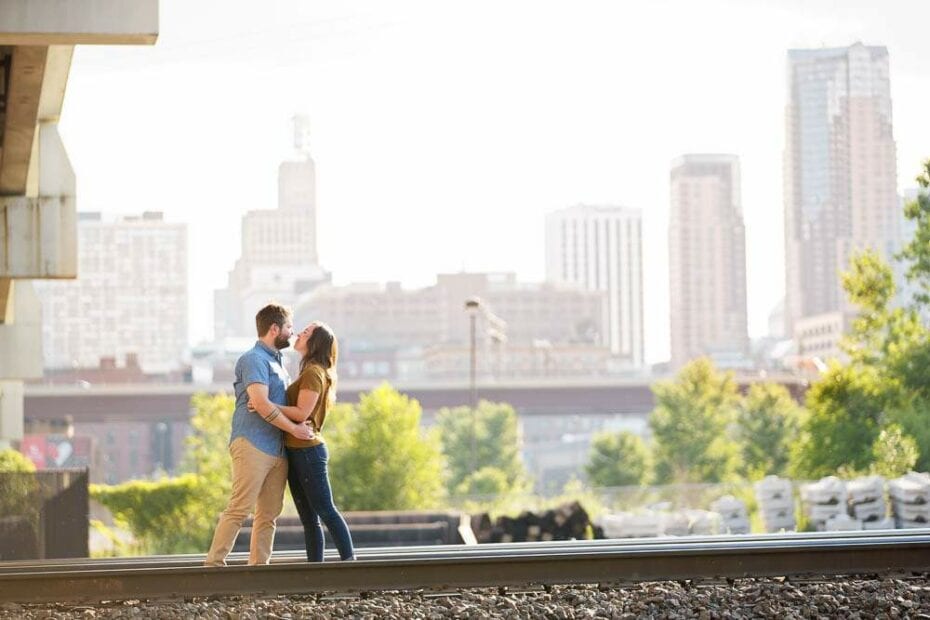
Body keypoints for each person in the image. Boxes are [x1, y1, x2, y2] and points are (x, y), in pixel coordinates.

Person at [204, 304, 314, 567]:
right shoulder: (253, 359)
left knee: (268, 515)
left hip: (276, 448)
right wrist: (296, 429)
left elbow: (272, 404)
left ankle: (259, 571)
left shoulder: (279, 363)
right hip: (252, 443)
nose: (292, 332)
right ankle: (213, 567)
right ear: (274, 329)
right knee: (240, 508)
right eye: (288, 327)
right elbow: (261, 404)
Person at [251, 321, 355, 562]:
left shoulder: (313, 372)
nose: (298, 334)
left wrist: (263, 405)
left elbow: (301, 413)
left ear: (315, 343)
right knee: (309, 519)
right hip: (297, 450)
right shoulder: (311, 371)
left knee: (326, 511)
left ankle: (351, 565)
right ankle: (315, 573)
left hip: (308, 452)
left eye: (305, 333)